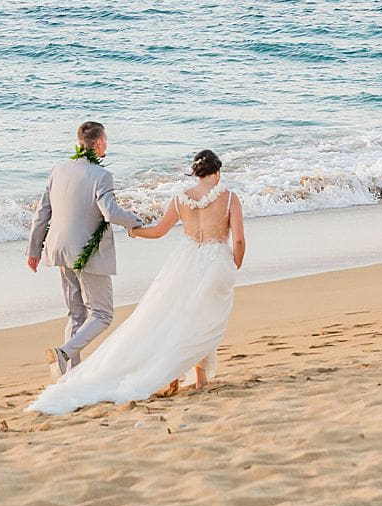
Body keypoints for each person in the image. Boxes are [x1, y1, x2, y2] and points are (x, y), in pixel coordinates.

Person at [28, 147, 245, 414]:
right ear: (217, 173)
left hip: (183, 264)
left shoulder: (181, 199)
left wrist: (134, 231)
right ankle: (194, 377)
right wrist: (235, 262)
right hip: (214, 264)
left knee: (178, 319)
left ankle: (181, 376)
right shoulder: (230, 197)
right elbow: (238, 239)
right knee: (202, 321)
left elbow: (158, 232)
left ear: (195, 172)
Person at [27, 120, 146, 376]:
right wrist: (137, 221)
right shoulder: (102, 176)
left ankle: (70, 376)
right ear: (100, 143)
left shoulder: (58, 169)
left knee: (76, 312)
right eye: (106, 141)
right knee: (102, 314)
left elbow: (42, 213)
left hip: (58, 248)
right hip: (86, 253)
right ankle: (64, 353)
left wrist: (34, 250)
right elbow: (110, 212)